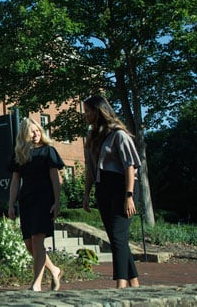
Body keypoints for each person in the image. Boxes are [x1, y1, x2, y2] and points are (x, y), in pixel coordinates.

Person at [81, 95, 141, 289]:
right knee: (116, 238)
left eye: (88, 111)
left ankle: (120, 286)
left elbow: (130, 165)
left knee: (118, 235)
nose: (86, 115)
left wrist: (129, 196)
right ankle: (135, 283)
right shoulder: (91, 137)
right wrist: (86, 194)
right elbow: (91, 169)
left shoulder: (119, 134)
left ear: (99, 111)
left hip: (122, 187)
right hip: (103, 187)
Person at [8, 117, 65, 291]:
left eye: (38, 130)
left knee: (37, 240)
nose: (36, 134)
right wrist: (11, 204)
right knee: (29, 244)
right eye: (32, 131)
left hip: (44, 199)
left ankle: (36, 284)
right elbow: (15, 181)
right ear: (24, 134)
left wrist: (57, 201)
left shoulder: (49, 151)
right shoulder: (20, 154)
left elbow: (55, 178)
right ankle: (54, 270)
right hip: (27, 201)